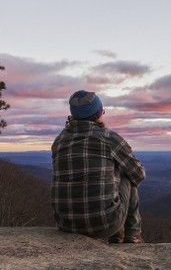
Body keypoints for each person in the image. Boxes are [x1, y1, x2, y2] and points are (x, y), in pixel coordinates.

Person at [51, 90, 146, 243]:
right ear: (98, 114)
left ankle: (119, 235)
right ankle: (133, 235)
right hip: (105, 226)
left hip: (66, 224)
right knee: (126, 173)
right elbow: (138, 174)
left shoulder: (60, 140)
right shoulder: (109, 138)